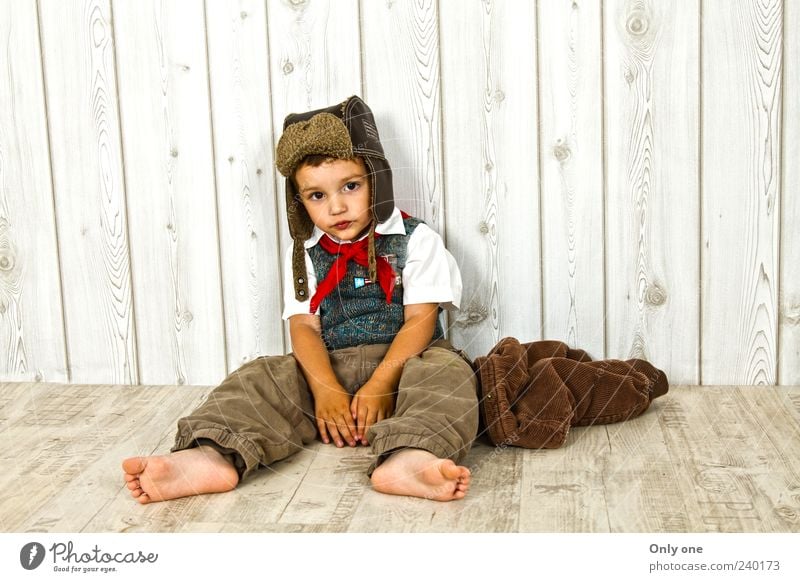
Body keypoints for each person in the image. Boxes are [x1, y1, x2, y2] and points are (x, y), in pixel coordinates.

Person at [122, 96, 479, 503]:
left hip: (407, 368)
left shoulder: (416, 240)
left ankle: (413, 454)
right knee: (261, 377)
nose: (337, 206)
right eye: (316, 196)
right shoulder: (306, 252)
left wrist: (382, 382)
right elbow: (304, 326)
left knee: (449, 376)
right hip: (330, 371)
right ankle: (209, 454)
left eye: (351, 186)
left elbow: (419, 321)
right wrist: (326, 390)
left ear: (376, 180)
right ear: (299, 202)